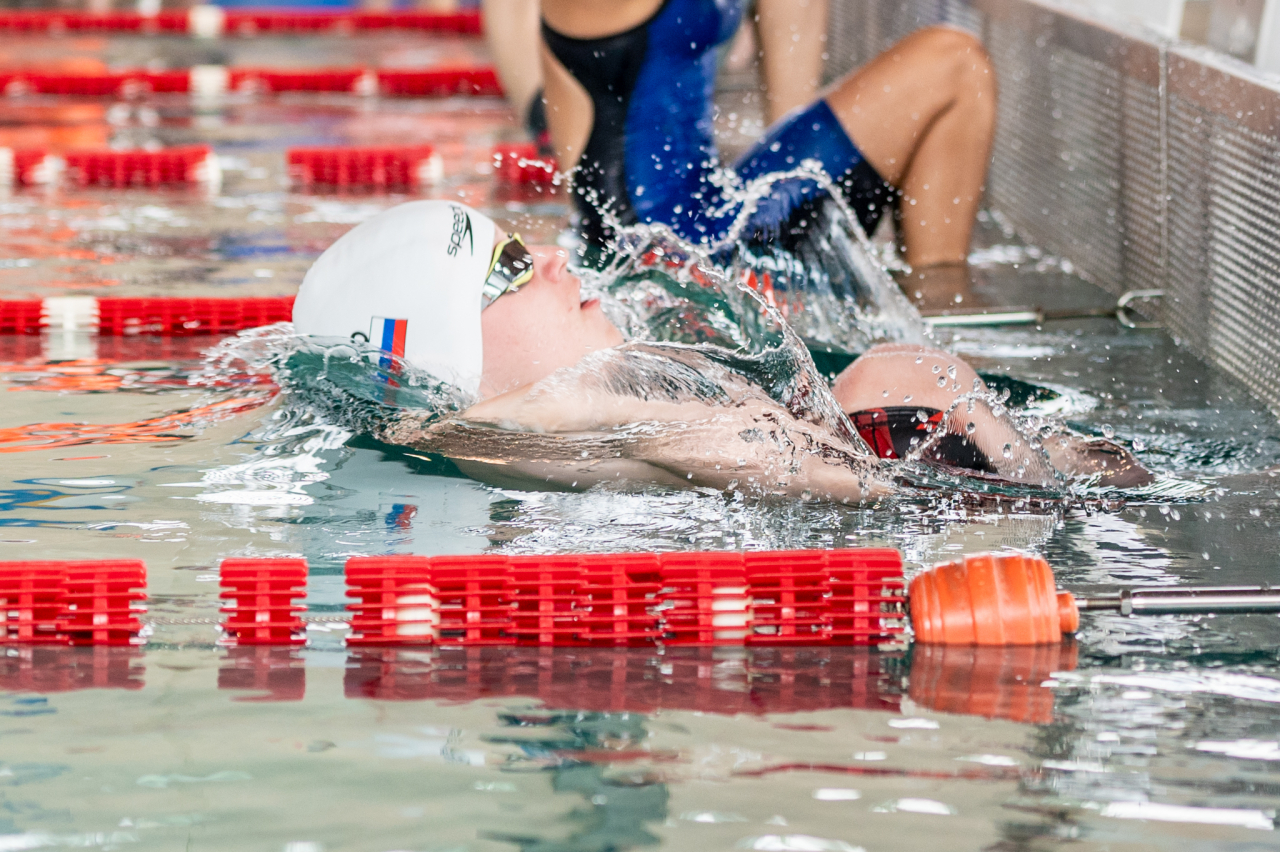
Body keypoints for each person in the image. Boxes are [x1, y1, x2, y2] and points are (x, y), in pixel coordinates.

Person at [292, 201, 1151, 501]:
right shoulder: (562, 414)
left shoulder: (542, 419)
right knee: (900, 375)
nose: (550, 255)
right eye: (509, 268)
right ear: (449, 352)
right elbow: (826, 475)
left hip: (943, 470)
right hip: (940, 490)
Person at [538, 0, 995, 283]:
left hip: (713, 221)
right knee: (954, 65)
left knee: (956, 66)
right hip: (665, 264)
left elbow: (791, 111)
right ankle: (935, 309)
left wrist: (797, 190)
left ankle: (925, 310)